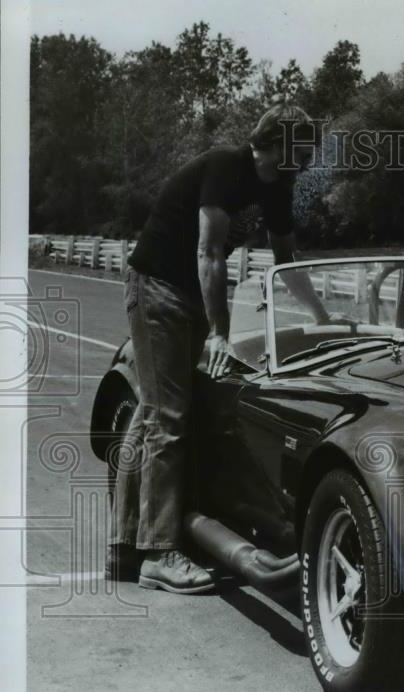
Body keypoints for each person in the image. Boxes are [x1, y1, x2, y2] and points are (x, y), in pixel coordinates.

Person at [107, 100, 329, 593]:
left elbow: (287, 260)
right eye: (302, 149)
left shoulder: (278, 186)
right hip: (157, 287)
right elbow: (209, 255)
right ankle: (158, 554)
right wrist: (220, 332)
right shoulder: (226, 166)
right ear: (276, 144)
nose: (309, 159)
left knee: (152, 414)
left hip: (184, 290)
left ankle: (125, 546)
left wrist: (322, 318)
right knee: (169, 417)